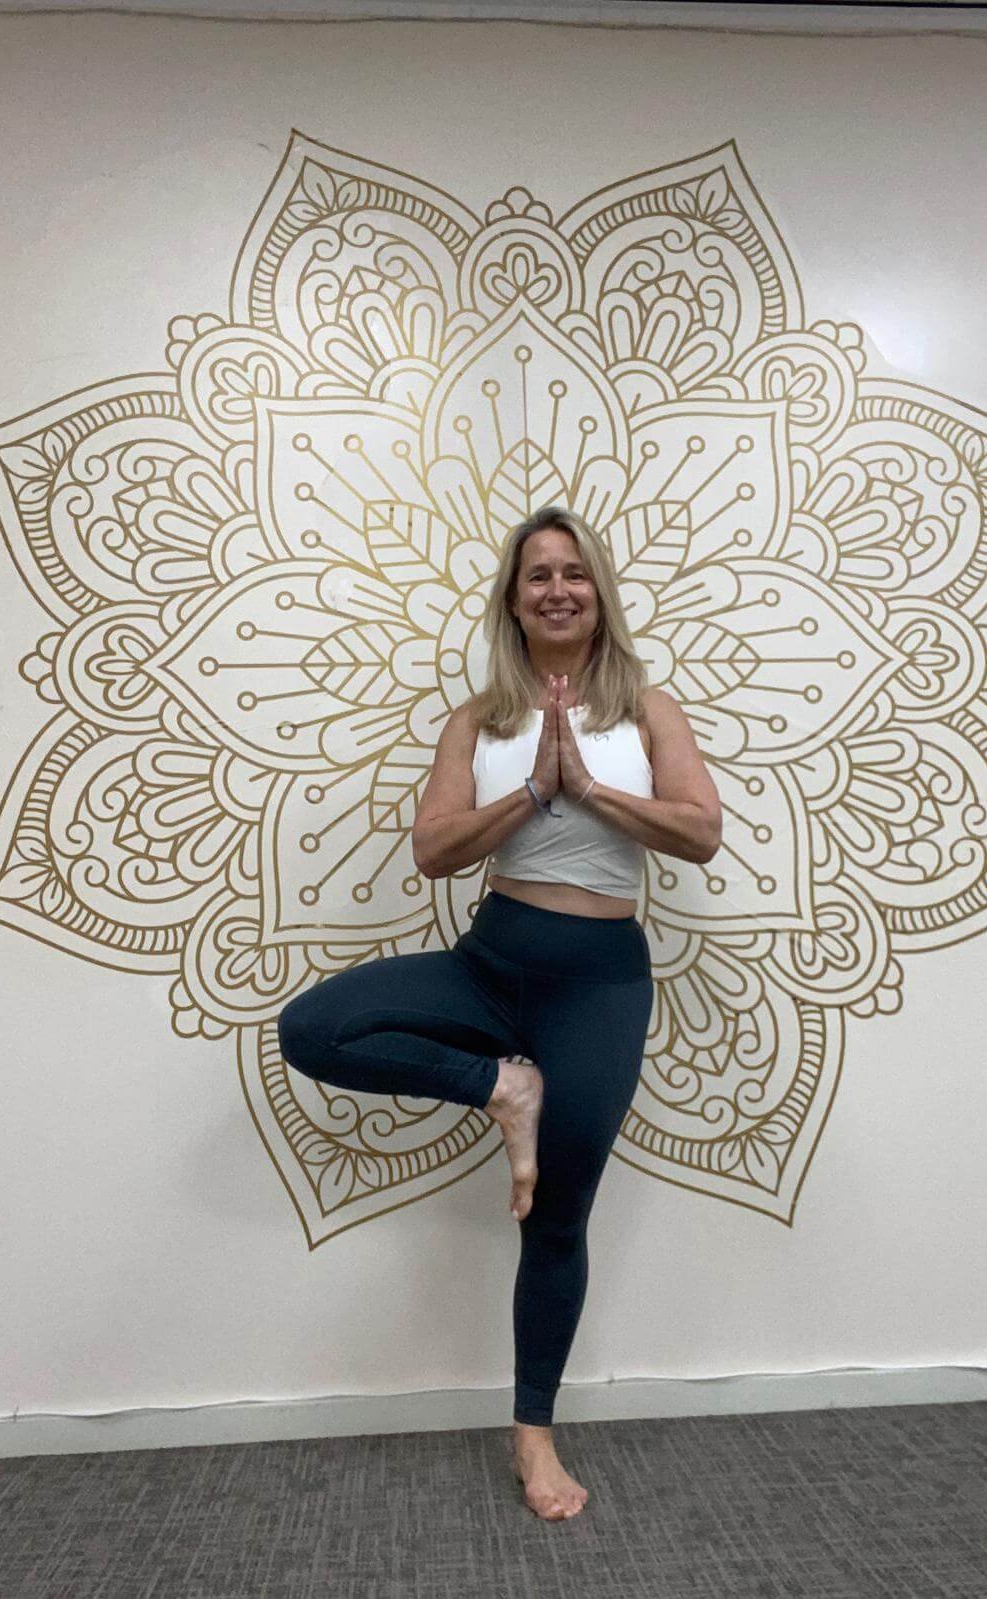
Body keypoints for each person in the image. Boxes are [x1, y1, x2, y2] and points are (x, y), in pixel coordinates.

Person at [276, 505, 722, 1520]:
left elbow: (700, 833)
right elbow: (435, 851)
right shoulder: (476, 722)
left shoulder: (648, 710)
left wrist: (590, 791)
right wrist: (530, 791)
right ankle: (498, 1086)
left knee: (556, 1221)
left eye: (574, 572)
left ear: (598, 591)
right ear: (512, 601)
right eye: (537, 576)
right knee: (313, 1029)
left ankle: (534, 1440)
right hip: (492, 960)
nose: (557, 588)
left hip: (599, 984)